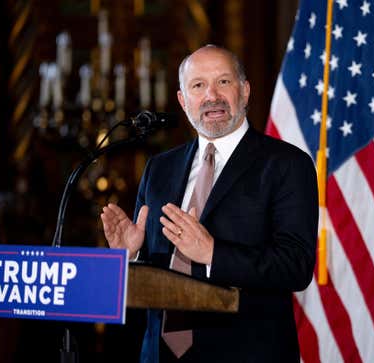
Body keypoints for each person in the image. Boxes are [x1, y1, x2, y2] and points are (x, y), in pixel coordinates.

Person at [100, 45, 318, 362]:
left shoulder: (287, 164)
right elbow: (151, 278)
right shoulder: (159, 168)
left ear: (244, 91)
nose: (211, 96)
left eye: (224, 82)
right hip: (160, 355)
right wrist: (130, 256)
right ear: (182, 99)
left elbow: (295, 266)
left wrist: (212, 254)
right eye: (198, 85)